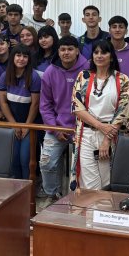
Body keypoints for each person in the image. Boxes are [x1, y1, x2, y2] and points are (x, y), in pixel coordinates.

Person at [70, 40, 129, 190]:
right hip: (86, 134)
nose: (99, 56)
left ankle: (104, 206)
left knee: (106, 182)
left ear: (111, 57)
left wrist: (107, 138)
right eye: (96, 52)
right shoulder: (83, 76)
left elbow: (124, 110)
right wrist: (100, 126)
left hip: (110, 135)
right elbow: (77, 107)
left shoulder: (122, 79)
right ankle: (89, 207)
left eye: (104, 52)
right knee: (88, 183)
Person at [38, 35, 88, 199]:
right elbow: (45, 105)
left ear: (77, 51)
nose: (66, 53)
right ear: (58, 52)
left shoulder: (88, 69)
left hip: (83, 128)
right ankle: (53, 196)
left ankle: (79, 200)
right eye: (63, 49)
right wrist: (55, 129)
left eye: (70, 49)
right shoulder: (50, 72)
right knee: (46, 163)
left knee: (82, 168)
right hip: (56, 127)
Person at [0, 44, 41, 179]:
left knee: (25, 159)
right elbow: (3, 102)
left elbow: (35, 104)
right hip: (12, 123)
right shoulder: (5, 76)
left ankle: (29, 187)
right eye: (18, 55)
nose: (21, 59)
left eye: (25, 56)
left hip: (29, 124)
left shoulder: (34, 77)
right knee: (14, 159)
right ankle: (16, 187)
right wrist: (14, 124)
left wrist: (26, 126)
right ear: (13, 57)